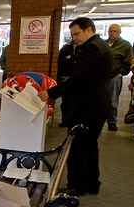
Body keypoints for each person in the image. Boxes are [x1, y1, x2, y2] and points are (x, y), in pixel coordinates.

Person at [37, 17, 111, 196]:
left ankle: (79, 185)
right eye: (72, 35)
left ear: (89, 29)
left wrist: (52, 92)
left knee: (79, 147)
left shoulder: (93, 48)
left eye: (77, 34)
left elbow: (79, 78)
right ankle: (92, 183)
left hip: (88, 106)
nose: (75, 39)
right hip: (97, 104)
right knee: (90, 146)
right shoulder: (101, 46)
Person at [106, 24, 133, 131]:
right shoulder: (104, 43)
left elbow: (129, 61)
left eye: (115, 31)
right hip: (102, 77)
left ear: (120, 32)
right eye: (110, 31)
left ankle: (112, 121)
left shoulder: (125, 45)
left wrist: (121, 73)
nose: (112, 33)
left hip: (115, 76)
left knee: (113, 100)